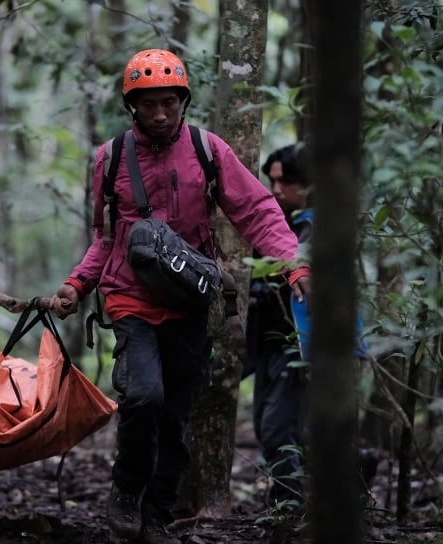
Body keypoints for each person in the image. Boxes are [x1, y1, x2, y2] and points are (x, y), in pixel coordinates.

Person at [50, 50, 311, 544]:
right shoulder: (109, 159)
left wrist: (293, 263)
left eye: (169, 102)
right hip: (129, 297)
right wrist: (77, 284)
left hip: (189, 300)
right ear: (133, 108)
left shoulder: (207, 150)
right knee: (144, 396)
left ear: (183, 101)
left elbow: (256, 210)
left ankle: (157, 516)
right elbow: (104, 238)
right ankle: (126, 490)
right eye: (148, 105)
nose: (160, 114)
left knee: (174, 417)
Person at [246, 143, 312, 509]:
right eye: (271, 181)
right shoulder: (273, 224)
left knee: (277, 429)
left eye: (286, 182)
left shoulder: (317, 229)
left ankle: (287, 508)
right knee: (266, 425)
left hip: (298, 344)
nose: (277, 190)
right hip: (267, 342)